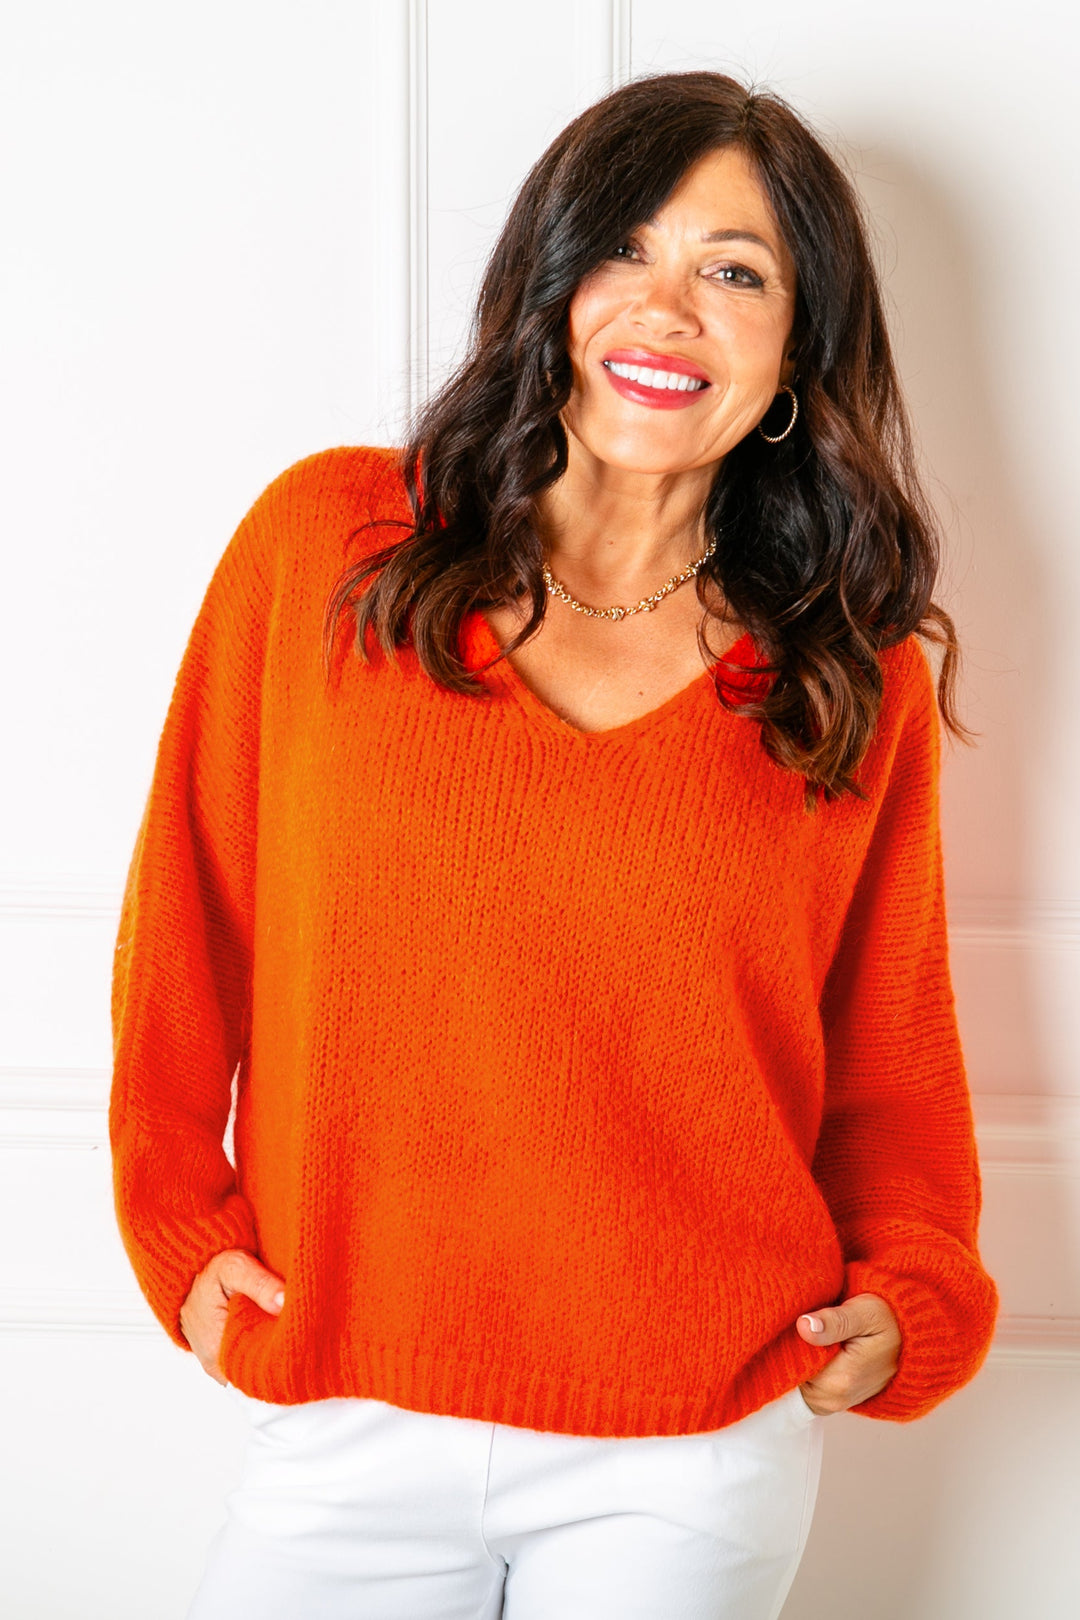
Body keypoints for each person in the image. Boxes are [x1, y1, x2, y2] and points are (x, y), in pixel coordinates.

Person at [109, 70, 999, 1620]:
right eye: (624, 249)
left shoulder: (845, 669)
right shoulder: (328, 550)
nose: (668, 309)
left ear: (797, 350)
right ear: (550, 284)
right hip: (347, 1399)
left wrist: (914, 1288)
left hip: (694, 1439)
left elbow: (890, 1031)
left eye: (736, 273)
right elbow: (189, 920)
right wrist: (179, 1227)